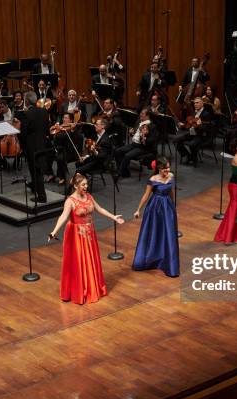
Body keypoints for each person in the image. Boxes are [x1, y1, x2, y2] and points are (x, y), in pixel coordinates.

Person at [48, 173, 124, 304]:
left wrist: (113, 217)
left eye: (86, 184)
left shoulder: (89, 196)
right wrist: (54, 232)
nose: (86, 186)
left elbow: (99, 209)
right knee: (80, 262)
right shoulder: (70, 201)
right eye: (83, 184)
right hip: (77, 236)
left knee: (90, 260)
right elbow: (63, 217)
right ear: (76, 186)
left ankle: (92, 287)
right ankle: (81, 290)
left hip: (89, 234)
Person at [132, 157, 179, 277]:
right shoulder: (153, 179)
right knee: (154, 233)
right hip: (155, 208)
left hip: (167, 207)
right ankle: (150, 259)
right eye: (165, 168)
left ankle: (168, 262)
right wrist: (138, 210)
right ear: (159, 168)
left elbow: (171, 192)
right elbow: (146, 196)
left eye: (168, 167)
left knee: (168, 233)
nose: (167, 170)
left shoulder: (171, 176)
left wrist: (174, 206)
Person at [16, 92, 50, 203]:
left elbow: (23, 133)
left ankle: (41, 196)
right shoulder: (44, 111)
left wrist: (20, 145)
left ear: (26, 101)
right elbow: (47, 128)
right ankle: (35, 187)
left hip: (31, 146)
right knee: (39, 168)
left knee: (35, 170)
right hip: (43, 143)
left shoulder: (26, 114)